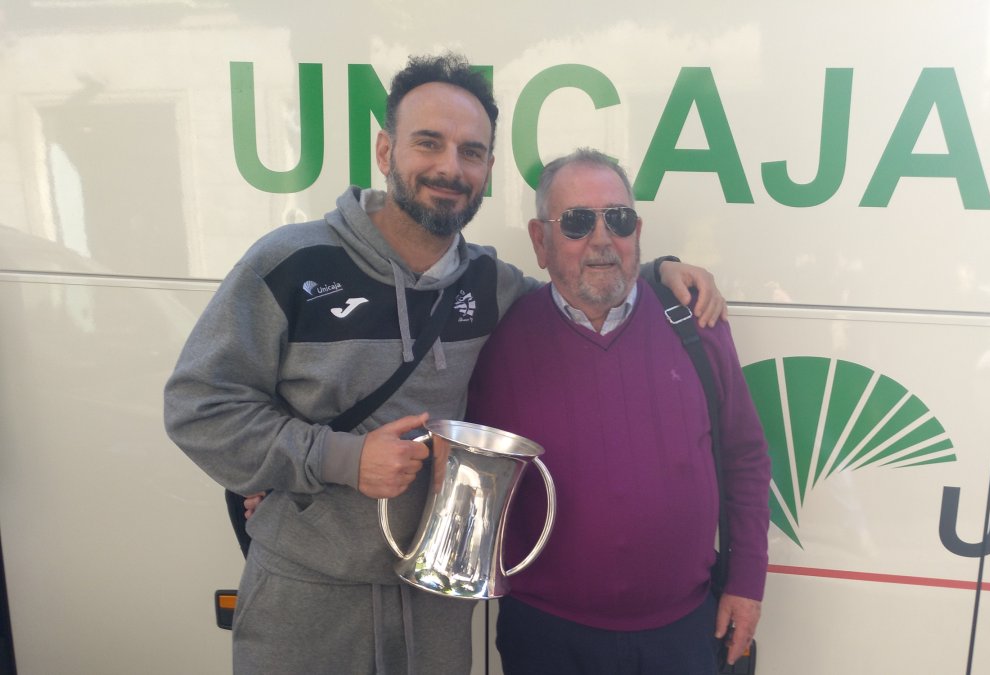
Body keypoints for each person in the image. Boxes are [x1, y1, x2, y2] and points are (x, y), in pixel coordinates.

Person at [163, 54, 724, 675]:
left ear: (487, 169)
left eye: (472, 151)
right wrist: (339, 458)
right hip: (308, 593)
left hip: (437, 602)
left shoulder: (489, 283)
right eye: (428, 143)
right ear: (385, 150)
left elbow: (581, 283)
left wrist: (658, 272)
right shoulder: (291, 262)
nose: (450, 167)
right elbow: (198, 408)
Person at [466, 148, 771, 675]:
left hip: (685, 633)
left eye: (619, 220)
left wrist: (745, 583)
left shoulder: (697, 326)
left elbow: (745, 458)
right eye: (578, 222)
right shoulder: (498, 341)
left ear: (638, 232)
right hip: (546, 637)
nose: (603, 239)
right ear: (541, 241)